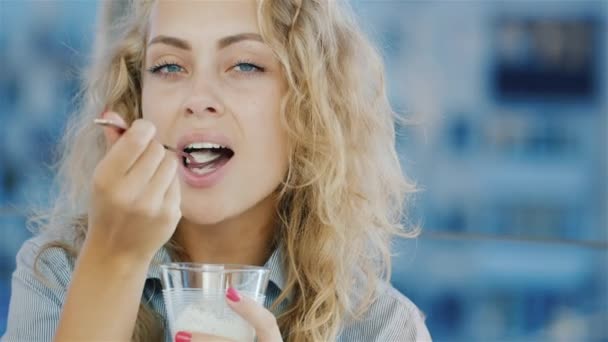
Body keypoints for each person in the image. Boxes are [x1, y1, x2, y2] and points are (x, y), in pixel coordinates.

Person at [2, 0, 431, 341]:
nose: (198, 97)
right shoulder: (58, 276)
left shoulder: (382, 329)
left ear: (310, 108)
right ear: (137, 99)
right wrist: (115, 258)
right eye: (169, 66)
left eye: (245, 65)